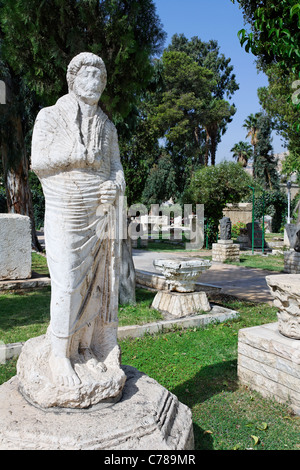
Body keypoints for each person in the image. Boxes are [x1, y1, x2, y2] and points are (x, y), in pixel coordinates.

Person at [31, 53, 125, 388]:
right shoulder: (50, 117)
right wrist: (73, 156)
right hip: (64, 208)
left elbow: (116, 169)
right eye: (89, 75)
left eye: (101, 76)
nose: (96, 81)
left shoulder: (108, 126)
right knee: (68, 284)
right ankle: (58, 356)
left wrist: (114, 188)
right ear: (73, 79)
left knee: (97, 286)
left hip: (98, 214)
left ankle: (84, 348)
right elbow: (38, 162)